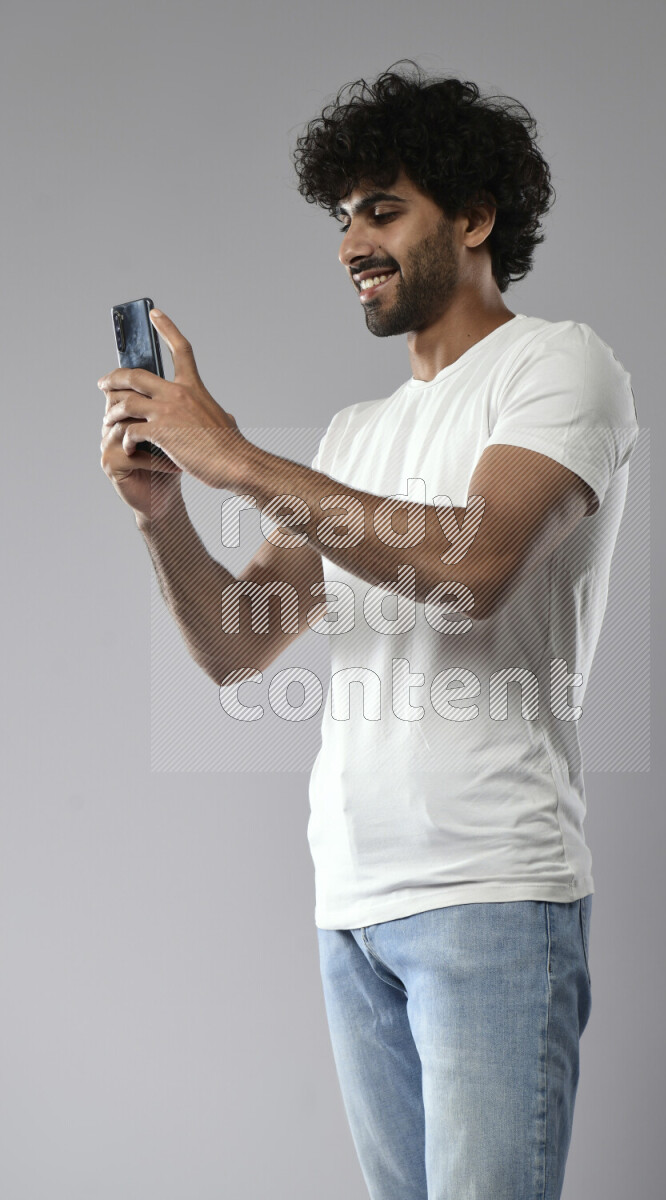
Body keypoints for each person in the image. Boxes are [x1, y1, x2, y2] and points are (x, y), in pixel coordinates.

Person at [99, 60, 638, 1200]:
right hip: (352, 906)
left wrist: (238, 457)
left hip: (492, 892)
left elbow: (477, 567)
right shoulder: (350, 432)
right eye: (342, 215)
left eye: (382, 208)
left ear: (474, 217)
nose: (351, 240)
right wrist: (167, 514)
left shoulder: (558, 367)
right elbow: (236, 642)